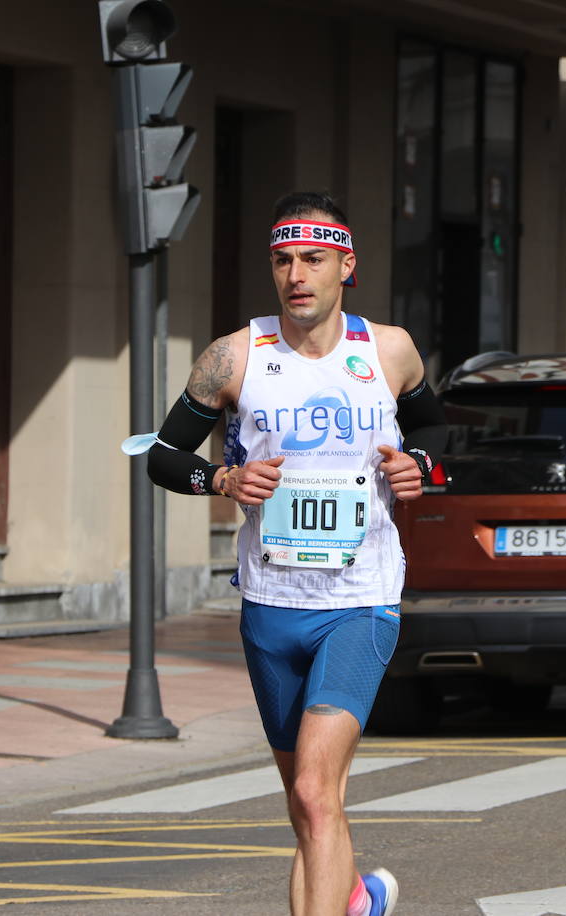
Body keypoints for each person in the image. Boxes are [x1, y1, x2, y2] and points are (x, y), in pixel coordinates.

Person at [143, 191, 447, 915]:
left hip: (359, 601)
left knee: (315, 791)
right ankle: (358, 899)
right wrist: (222, 477)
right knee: (309, 804)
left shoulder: (390, 351)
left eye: (312, 259)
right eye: (282, 260)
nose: (296, 275)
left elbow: (439, 434)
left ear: (347, 265)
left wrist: (423, 467)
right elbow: (161, 455)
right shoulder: (234, 357)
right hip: (270, 610)